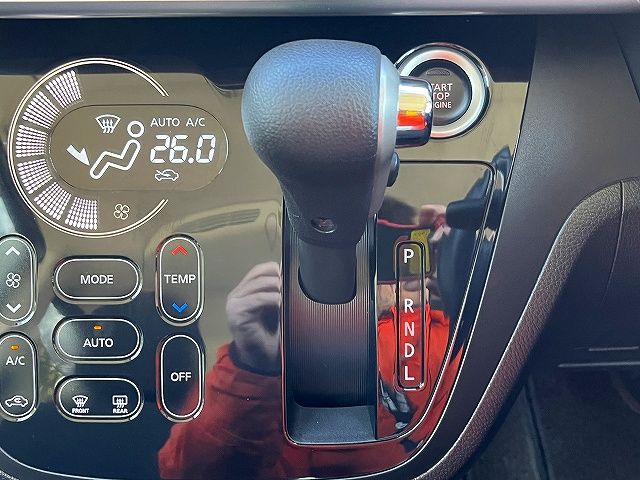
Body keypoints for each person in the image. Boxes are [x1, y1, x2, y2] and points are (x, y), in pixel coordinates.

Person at [158, 204, 459, 479]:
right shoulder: (271, 353)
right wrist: (251, 367)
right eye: (382, 258)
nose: (406, 276)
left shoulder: (442, 340)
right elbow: (187, 473)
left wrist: (468, 249)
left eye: (412, 258)